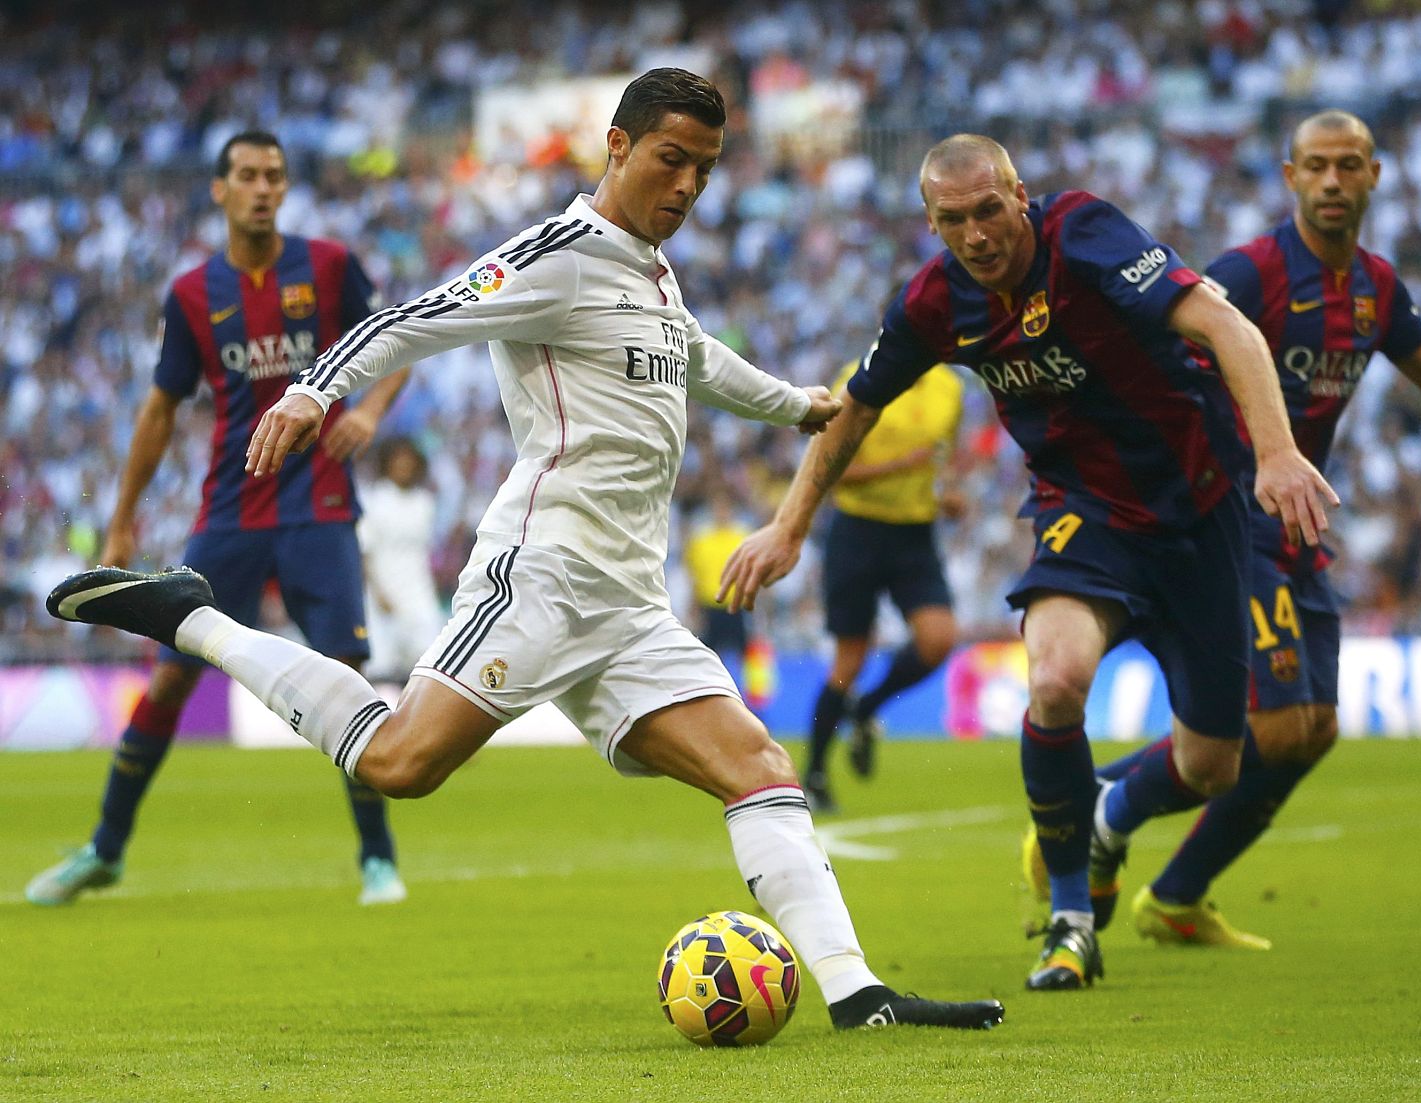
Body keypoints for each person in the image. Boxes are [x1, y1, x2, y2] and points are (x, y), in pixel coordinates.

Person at [48, 70, 1003, 1031]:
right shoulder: (557, 255)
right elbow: (410, 318)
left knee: (758, 764)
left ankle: (859, 993)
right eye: (672, 160)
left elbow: (697, 357)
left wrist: (798, 404)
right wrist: (314, 389)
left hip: (629, 605)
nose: (687, 187)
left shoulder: (654, 274)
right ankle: (193, 617)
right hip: (538, 577)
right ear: (619, 146)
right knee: (400, 762)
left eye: (706, 171)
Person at [719, 133, 1337, 992]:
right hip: (1083, 513)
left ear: (1021, 195)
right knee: (1053, 680)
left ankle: (1107, 813)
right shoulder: (936, 301)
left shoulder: (1086, 237)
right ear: (931, 224)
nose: (976, 234)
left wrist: (1274, 452)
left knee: (1211, 765)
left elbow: (1225, 324)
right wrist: (788, 526)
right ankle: (1071, 924)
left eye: (988, 210)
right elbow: (855, 407)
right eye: (953, 220)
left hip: (1201, 513)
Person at [1054, 110, 1421, 949]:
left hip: (1304, 523)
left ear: (1376, 175)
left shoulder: (1377, 286)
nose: (1334, 182)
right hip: (1232, 519)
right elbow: (1164, 359)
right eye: (1318, 166)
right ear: (1290, 176)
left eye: (1350, 165)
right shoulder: (1254, 271)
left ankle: (1174, 896)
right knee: (1267, 728)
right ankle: (1097, 809)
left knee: (1314, 731)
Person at [27, 131, 412, 908]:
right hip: (231, 511)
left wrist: (369, 410)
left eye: (275, 175)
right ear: (219, 189)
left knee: (347, 674)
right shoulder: (193, 295)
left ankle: (377, 859)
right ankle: (104, 849)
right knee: (170, 680)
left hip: (320, 506)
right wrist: (123, 521)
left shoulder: (330, 267)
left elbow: (396, 339)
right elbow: (161, 408)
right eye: (247, 176)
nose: (263, 188)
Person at [802, 358, 965, 815]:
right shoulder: (858, 382)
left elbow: (945, 459)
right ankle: (813, 773)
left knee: (938, 640)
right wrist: (899, 467)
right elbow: (827, 466)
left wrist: (949, 494)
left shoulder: (948, 387)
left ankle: (867, 708)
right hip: (858, 531)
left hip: (915, 533)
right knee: (848, 662)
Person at [359, 437, 446, 682]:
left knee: (428, 656)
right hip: (383, 590)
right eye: (399, 462)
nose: (404, 468)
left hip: (418, 589)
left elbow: (427, 550)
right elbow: (365, 552)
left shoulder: (425, 502)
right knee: (382, 664)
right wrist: (379, 593)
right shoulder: (375, 500)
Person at [682, 491, 753, 677]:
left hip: (736, 605)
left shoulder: (742, 538)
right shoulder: (701, 541)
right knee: (709, 656)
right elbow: (695, 577)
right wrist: (694, 606)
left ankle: (753, 700)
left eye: (725, 508)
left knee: (747, 655)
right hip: (710, 605)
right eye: (718, 508)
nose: (721, 512)